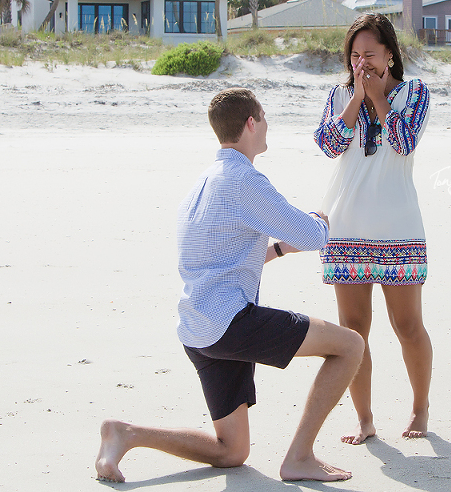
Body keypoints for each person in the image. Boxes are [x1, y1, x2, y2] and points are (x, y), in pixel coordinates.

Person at [96, 88, 365, 483]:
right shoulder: (245, 180)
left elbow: (223, 252)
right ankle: (300, 457)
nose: (267, 124)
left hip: (196, 328)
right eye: (264, 116)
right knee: (350, 345)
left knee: (232, 452)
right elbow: (311, 235)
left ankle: (126, 434)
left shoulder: (203, 184)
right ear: (251, 123)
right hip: (229, 323)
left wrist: (275, 250)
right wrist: (320, 220)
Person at [314, 13, 432, 443]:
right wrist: (355, 100)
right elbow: (328, 144)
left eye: (370, 54)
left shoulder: (413, 92)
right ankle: (365, 420)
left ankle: (420, 409)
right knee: (353, 332)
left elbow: (403, 142)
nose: (361, 62)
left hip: (398, 228)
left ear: (389, 54)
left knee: (408, 327)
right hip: (345, 231)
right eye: (355, 55)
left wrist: (379, 98)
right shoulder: (339, 94)